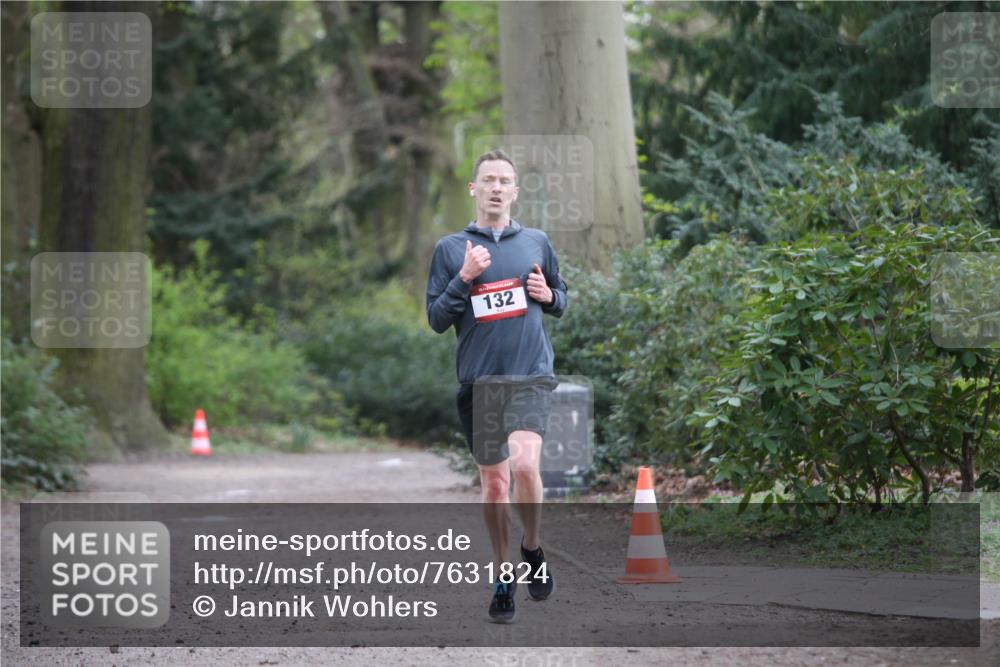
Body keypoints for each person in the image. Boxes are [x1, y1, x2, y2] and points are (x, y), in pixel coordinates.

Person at [426, 149, 568, 623]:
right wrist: (465, 278)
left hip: (530, 373)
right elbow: (436, 319)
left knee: (525, 465)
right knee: (493, 487)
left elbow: (560, 296)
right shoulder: (450, 249)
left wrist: (550, 296)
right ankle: (503, 573)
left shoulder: (536, 241)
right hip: (480, 382)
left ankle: (532, 548)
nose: (495, 187)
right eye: (487, 179)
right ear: (473, 189)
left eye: (504, 180)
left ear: (515, 191)